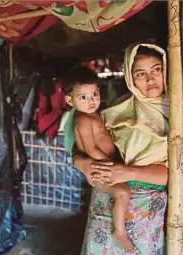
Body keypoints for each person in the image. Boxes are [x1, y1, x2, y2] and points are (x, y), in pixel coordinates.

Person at [73, 43, 169, 254]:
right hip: (107, 197)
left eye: (157, 69)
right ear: (129, 78)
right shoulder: (117, 109)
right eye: (140, 73)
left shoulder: (177, 112)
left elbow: (177, 172)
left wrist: (128, 172)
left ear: (166, 69)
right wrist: (82, 163)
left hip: (147, 206)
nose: (150, 79)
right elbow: (81, 145)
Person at [62, 66, 134, 250]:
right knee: (122, 193)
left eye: (94, 94)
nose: (92, 100)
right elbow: (91, 149)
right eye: (83, 97)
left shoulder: (94, 114)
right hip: (98, 166)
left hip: (104, 164)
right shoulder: (83, 120)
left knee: (122, 192)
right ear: (70, 100)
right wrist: (112, 165)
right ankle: (119, 231)